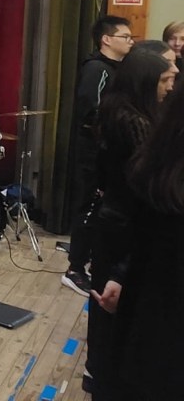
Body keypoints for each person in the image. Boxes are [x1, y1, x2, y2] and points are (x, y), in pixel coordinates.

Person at [82, 50, 173, 398]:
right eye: (165, 80)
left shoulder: (117, 111)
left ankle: (99, 370)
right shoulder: (134, 122)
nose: (170, 87)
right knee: (112, 303)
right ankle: (103, 374)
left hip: (114, 216)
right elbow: (147, 180)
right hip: (123, 222)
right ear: (146, 82)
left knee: (105, 303)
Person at [99, 83, 184, 400]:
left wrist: (122, 276)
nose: (170, 83)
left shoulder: (159, 165)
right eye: (165, 76)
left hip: (147, 339)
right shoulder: (158, 166)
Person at [62, 15, 133, 296]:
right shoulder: (97, 69)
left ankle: (89, 260)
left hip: (107, 152)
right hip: (93, 153)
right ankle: (75, 269)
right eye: (125, 37)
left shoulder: (118, 69)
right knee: (89, 207)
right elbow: (93, 112)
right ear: (106, 39)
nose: (130, 42)